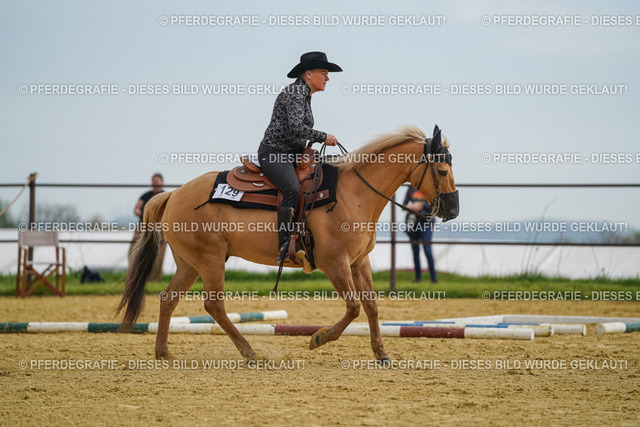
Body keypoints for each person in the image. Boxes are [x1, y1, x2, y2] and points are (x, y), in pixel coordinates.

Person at [258, 51, 342, 262]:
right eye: (324, 73)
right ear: (308, 73)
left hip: (292, 154)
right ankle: (284, 246)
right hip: (275, 153)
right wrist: (323, 137)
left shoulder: (304, 94)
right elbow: (296, 126)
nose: (327, 78)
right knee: (292, 189)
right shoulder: (296, 92)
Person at [129, 173, 166, 282]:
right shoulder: (145, 195)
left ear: (162, 182)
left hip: (159, 226)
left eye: (157, 181)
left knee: (158, 254)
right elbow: (136, 209)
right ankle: (134, 277)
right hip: (144, 224)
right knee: (133, 249)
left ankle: (154, 280)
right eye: (153, 181)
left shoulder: (165, 195)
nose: (155, 183)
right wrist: (142, 213)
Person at [403, 186, 437, 283]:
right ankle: (418, 278)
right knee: (415, 251)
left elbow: (434, 205)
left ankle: (433, 278)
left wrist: (422, 206)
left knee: (427, 250)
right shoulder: (410, 189)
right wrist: (411, 207)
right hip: (412, 222)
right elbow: (404, 205)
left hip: (426, 222)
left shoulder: (428, 186)